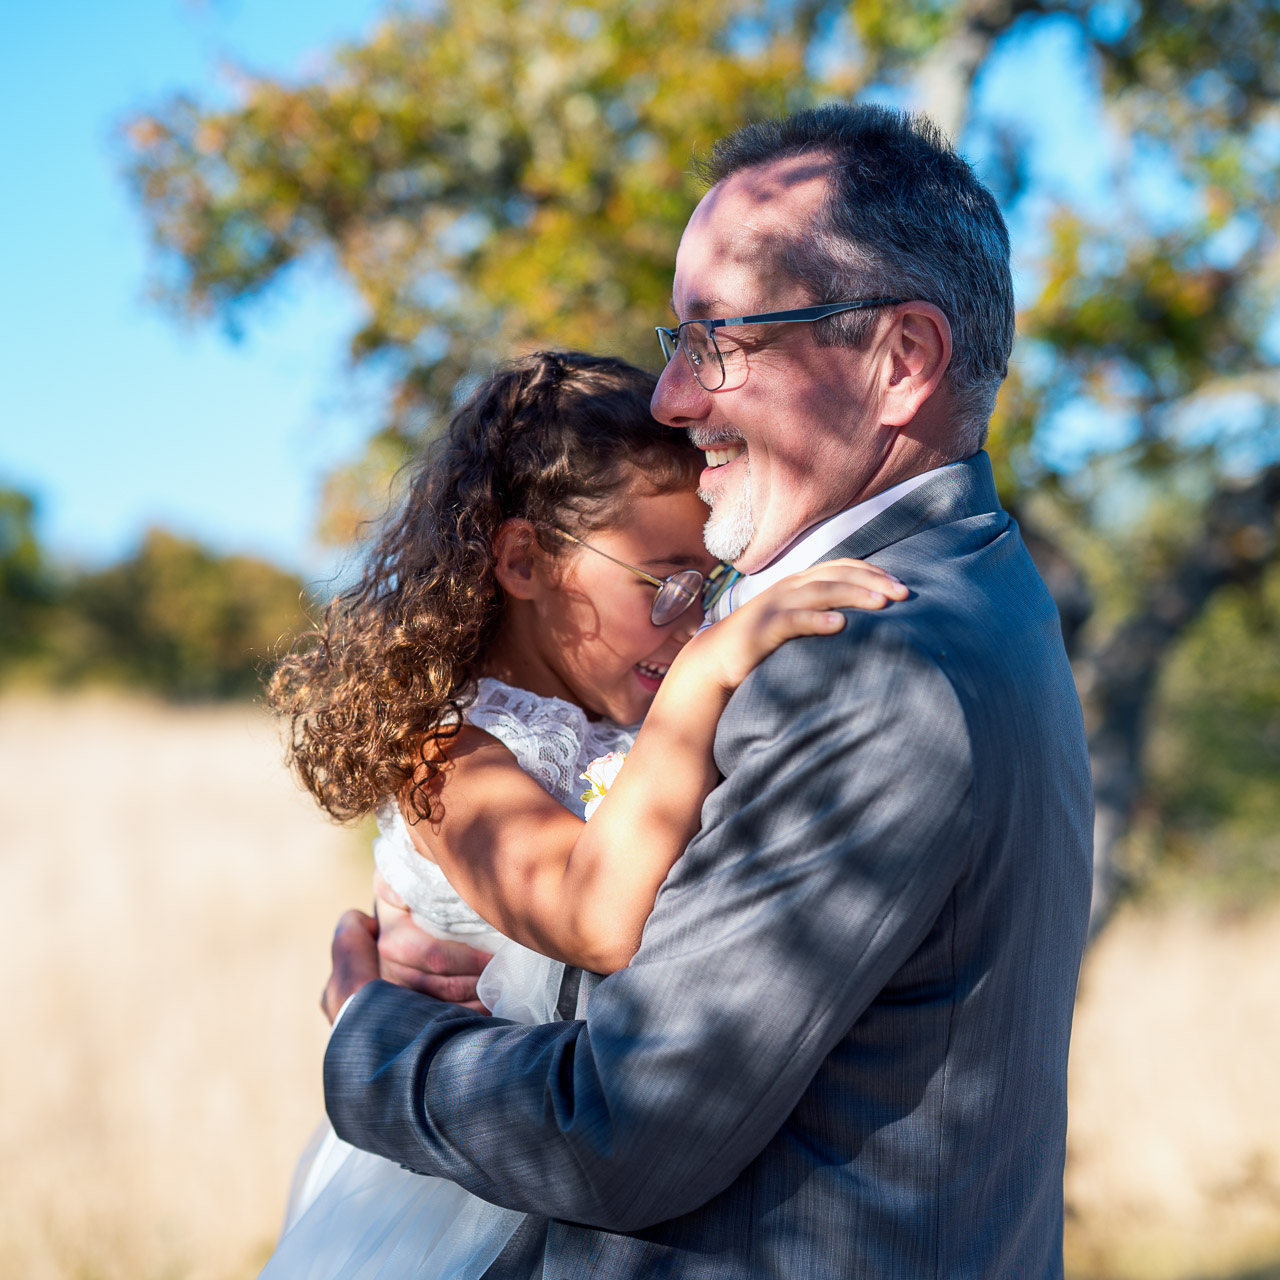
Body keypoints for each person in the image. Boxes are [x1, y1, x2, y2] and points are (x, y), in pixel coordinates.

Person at [322, 104, 1095, 1278]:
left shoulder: (871, 660)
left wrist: (368, 1035)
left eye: (718, 340)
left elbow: (619, 1133)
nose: (673, 398)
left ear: (902, 360)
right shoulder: (977, 588)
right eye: (674, 339)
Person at [261, 349, 903, 1278]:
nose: (690, 621)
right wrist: (709, 672)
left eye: (709, 589)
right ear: (524, 560)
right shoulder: (447, 750)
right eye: (665, 583)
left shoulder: (622, 726)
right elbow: (592, 916)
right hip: (452, 1200)